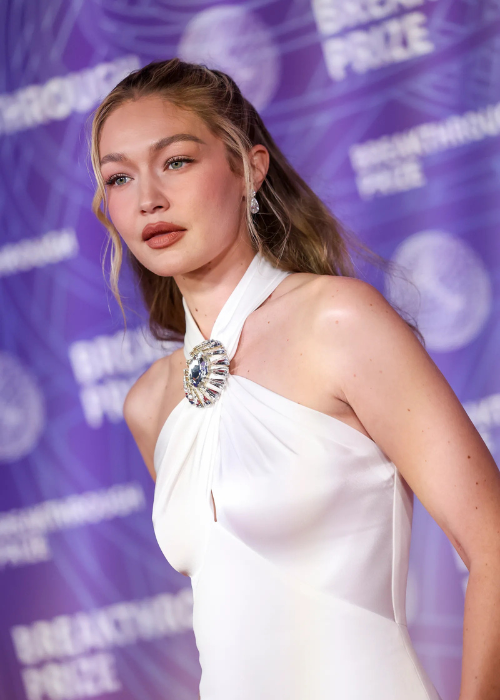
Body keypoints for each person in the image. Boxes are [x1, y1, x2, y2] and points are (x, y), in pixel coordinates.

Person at [89, 58, 500, 700]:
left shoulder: (339, 322)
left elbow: (493, 546)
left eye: (176, 161)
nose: (148, 199)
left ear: (250, 169)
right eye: (119, 176)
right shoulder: (150, 403)